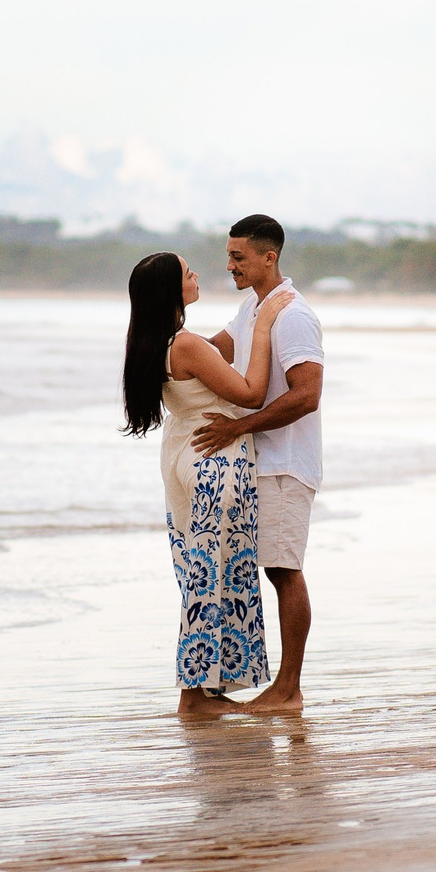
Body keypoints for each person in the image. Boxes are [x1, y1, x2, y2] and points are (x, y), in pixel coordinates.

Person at [122, 250, 296, 716]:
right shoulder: (186, 345)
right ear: (170, 291)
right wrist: (262, 328)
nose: (197, 275)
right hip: (213, 458)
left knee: (199, 572)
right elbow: (252, 394)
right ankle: (193, 697)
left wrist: (252, 317)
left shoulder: (154, 341)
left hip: (182, 453)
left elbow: (225, 349)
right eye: (187, 273)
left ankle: (206, 690)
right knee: (212, 575)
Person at [193, 213, 323, 714]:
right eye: (228, 255)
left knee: (284, 571)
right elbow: (214, 351)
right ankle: (272, 684)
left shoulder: (292, 315)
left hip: (286, 463)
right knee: (266, 570)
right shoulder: (253, 307)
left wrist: (237, 427)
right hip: (258, 463)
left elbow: (306, 396)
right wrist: (162, 348)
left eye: (238, 256)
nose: (229, 265)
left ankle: (289, 688)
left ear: (269, 258)